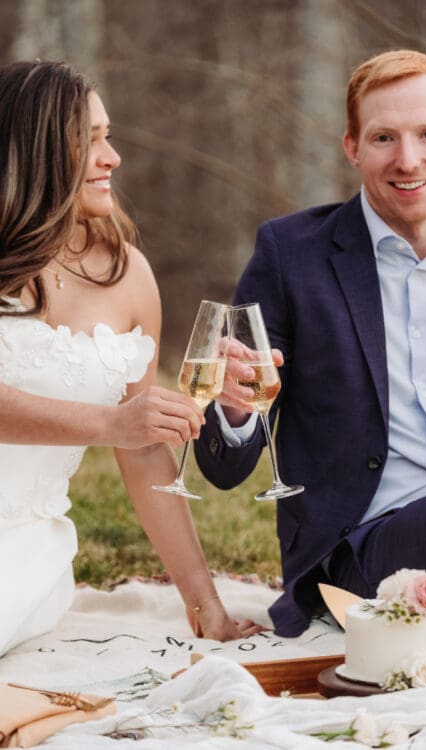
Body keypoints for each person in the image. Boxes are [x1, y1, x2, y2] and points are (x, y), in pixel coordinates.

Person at [195, 49, 426, 637]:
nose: (408, 159)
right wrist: (234, 407)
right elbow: (225, 468)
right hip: (365, 554)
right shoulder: (293, 255)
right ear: (353, 148)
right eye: (384, 137)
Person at [0, 60, 260, 656]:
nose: (111, 156)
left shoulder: (128, 274)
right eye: (88, 141)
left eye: (107, 136)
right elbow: (119, 425)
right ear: (33, 153)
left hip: (25, 553)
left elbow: (143, 448)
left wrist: (205, 606)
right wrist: (108, 423)